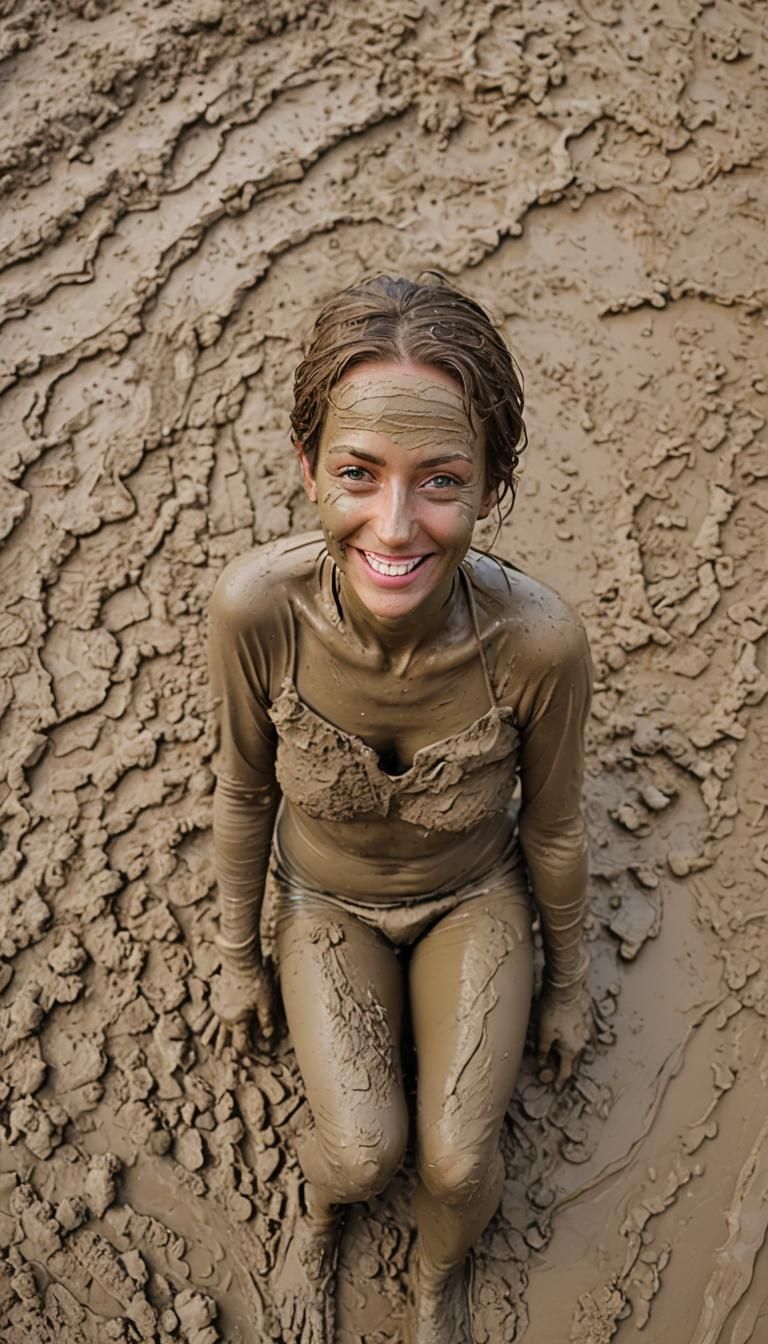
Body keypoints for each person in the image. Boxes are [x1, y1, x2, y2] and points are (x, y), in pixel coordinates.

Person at [203, 274, 593, 1344]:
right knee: (361, 1152)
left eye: (441, 481)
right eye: (357, 475)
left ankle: (436, 1284)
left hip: (472, 896)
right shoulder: (257, 612)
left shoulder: (537, 644)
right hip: (326, 898)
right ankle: (317, 1218)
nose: (395, 525)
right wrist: (240, 959)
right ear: (307, 469)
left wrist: (570, 986)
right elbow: (243, 792)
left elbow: (554, 829)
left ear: (491, 486)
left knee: (461, 1162)